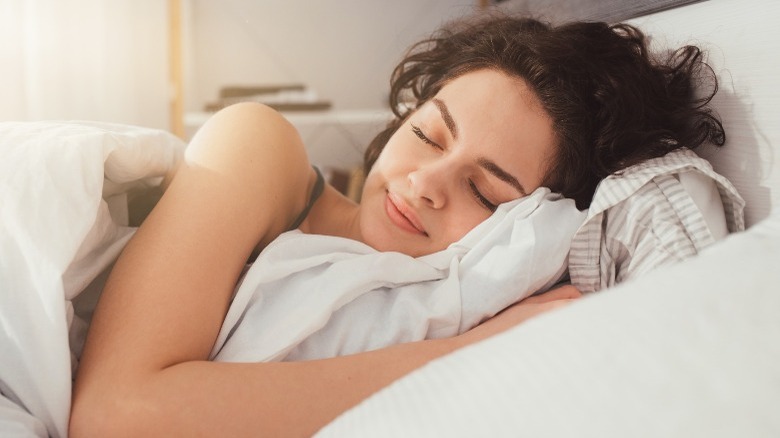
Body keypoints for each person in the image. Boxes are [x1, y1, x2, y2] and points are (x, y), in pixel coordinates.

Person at [69, 14, 726, 437]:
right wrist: (477, 353)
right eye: (429, 135)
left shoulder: (437, 304)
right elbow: (114, 415)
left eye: (485, 190)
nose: (426, 184)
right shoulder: (261, 147)